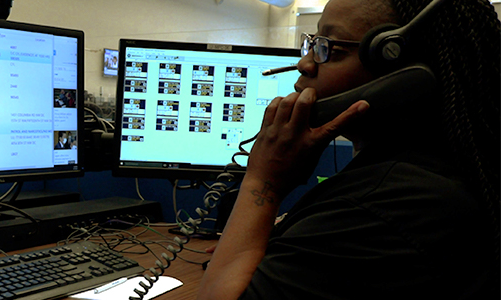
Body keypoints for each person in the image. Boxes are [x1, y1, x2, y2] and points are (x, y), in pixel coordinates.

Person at [196, 0, 500, 299]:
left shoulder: (390, 205)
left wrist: (263, 180)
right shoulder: (430, 170)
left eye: (330, 49)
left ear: (407, 77)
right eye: (313, 43)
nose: (305, 63)